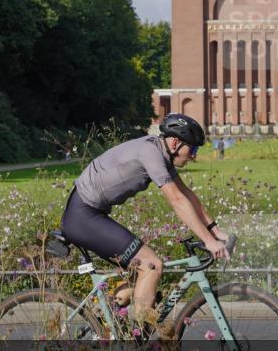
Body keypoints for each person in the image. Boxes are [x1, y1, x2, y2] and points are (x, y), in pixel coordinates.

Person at [60, 113, 230, 325]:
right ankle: (136, 345)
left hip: (90, 213)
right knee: (151, 264)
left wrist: (214, 230)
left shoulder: (162, 153)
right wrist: (208, 241)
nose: (194, 155)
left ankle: (110, 320)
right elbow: (176, 200)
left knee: (140, 273)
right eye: (193, 149)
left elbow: (187, 195)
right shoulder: (151, 153)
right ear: (176, 143)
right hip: (83, 215)